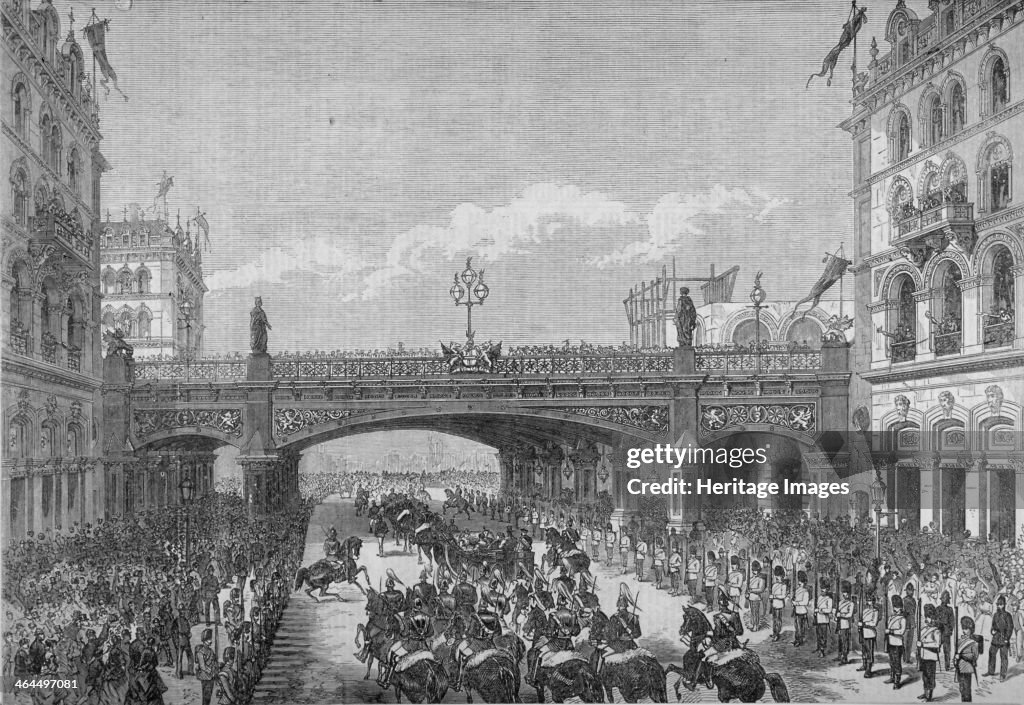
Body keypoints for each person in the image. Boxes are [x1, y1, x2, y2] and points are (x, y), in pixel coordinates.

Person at [984, 594, 1014, 680]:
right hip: (996, 638)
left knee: (1003, 657)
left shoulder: (1008, 615)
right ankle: (991, 671)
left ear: (1004, 605)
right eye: (998, 604)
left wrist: (1006, 638)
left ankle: (1003, 675)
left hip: (1004, 638)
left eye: (1001, 604)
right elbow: (993, 626)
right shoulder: (995, 615)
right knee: (991, 653)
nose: (999, 606)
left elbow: (1010, 628)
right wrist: (992, 631)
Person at [918, 604, 941, 702]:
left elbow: (936, 644)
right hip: (923, 656)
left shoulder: (936, 631)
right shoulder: (923, 629)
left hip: (931, 657)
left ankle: (929, 695)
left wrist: (923, 644)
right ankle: (925, 691)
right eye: (927, 617)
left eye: (931, 617)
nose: (928, 619)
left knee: (930, 676)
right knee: (924, 676)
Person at [885, 594, 907, 690]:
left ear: (901, 608)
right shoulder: (891, 617)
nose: (895, 609)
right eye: (894, 606)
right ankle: (892, 677)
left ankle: (897, 682)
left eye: (897, 607)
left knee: (897, 663)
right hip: (890, 643)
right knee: (891, 662)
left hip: (898, 644)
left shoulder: (902, 619)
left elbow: (901, 632)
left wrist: (890, 631)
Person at [955, 616, 979, 702]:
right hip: (960, 667)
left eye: (966, 629)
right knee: (961, 688)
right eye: (963, 628)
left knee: (967, 690)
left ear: (971, 629)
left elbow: (974, 656)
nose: (964, 631)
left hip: (967, 668)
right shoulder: (959, 640)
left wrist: (962, 656)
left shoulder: (974, 643)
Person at [857, 592, 879, 677]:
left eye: (872, 600)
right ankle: (864, 664)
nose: (870, 602)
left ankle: (869, 669)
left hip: (870, 633)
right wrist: (860, 624)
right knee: (864, 650)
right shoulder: (865, 611)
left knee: (869, 651)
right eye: (869, 600)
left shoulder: (875, 611)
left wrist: (864, 624)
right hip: (863, 632)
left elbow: (874, 623)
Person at [194, 629, 217, 705]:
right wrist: (210, 670)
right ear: (204, 640)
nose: (210, 640)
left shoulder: (211, 651)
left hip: (211, 676)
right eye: (208, 639)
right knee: (206, 696)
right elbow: (202, 666)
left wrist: (215, 669)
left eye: (210, 639)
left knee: (209, 696)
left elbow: (214, 661)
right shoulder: (200, 652)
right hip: (205, 677)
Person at [936, 590, 956, 671]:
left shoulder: (950, 609)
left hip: (946, 632)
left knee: (947, 650)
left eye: (946, 598)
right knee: (936, 647)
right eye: (944, 598)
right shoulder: (938, 609)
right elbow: (936, 619)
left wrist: (950, 630)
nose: (945, 600)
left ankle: (947, 666)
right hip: (939, 631)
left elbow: (952, 621)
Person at [836, 581, 854, 664]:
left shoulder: (851, 604)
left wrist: (841, 615)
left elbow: (849, 615)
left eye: (846, 593)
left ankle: (845, 657)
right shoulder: (840, 603)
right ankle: (840, 655)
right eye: (843, 593)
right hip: (839, 624)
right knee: (840, 641)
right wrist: (836, 616)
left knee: (845, 641)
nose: (845, 595)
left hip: (846, 624)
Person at [814, 579, 834, 658]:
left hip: (824, 620)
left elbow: (829, 610)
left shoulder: (829, 599)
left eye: (824, 589)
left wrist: (819, 610)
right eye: (821, 589)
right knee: (818, 635)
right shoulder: (819, 598)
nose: (822, 591)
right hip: (818, 619)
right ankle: (819, 648)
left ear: (827, 590)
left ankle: (822, 650)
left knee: (823, 636)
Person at [747, 562, 765, 631]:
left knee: (756, 613)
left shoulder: (761, 579)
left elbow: (761, 589)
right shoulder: (751, 579)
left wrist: (751, 590)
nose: (754, 572)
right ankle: (753, 624)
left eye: (756, 570)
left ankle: (756, 625)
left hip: (756, 598)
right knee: (752, 612)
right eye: (753, 570)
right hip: (751, 597)